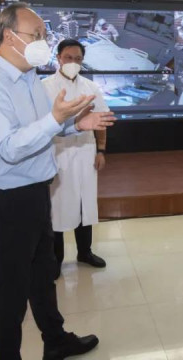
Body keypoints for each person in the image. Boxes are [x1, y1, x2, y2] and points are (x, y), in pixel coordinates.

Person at [0, 3, 117, 360]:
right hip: (6, 198)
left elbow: (40, 129)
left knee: (41, 274)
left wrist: (74, 125)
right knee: (9, 290)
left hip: (35, 191)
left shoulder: (28, 76)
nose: (42, 43)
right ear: (9, 36)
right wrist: (55, 119)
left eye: (44, 36)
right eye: (36, 35)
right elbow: (10, 147)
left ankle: (55, 339)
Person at [42, 40, 110, 277]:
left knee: (84, 202)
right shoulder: (44, 87)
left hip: (86, 152)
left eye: (78, 59)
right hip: (58, 153)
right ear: (58, 58)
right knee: (59, 206)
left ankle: (85, 252)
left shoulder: (91, 87)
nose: (73, 62)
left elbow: (101, 120)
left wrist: (101, 150)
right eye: (68, 58)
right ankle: (56, 259)